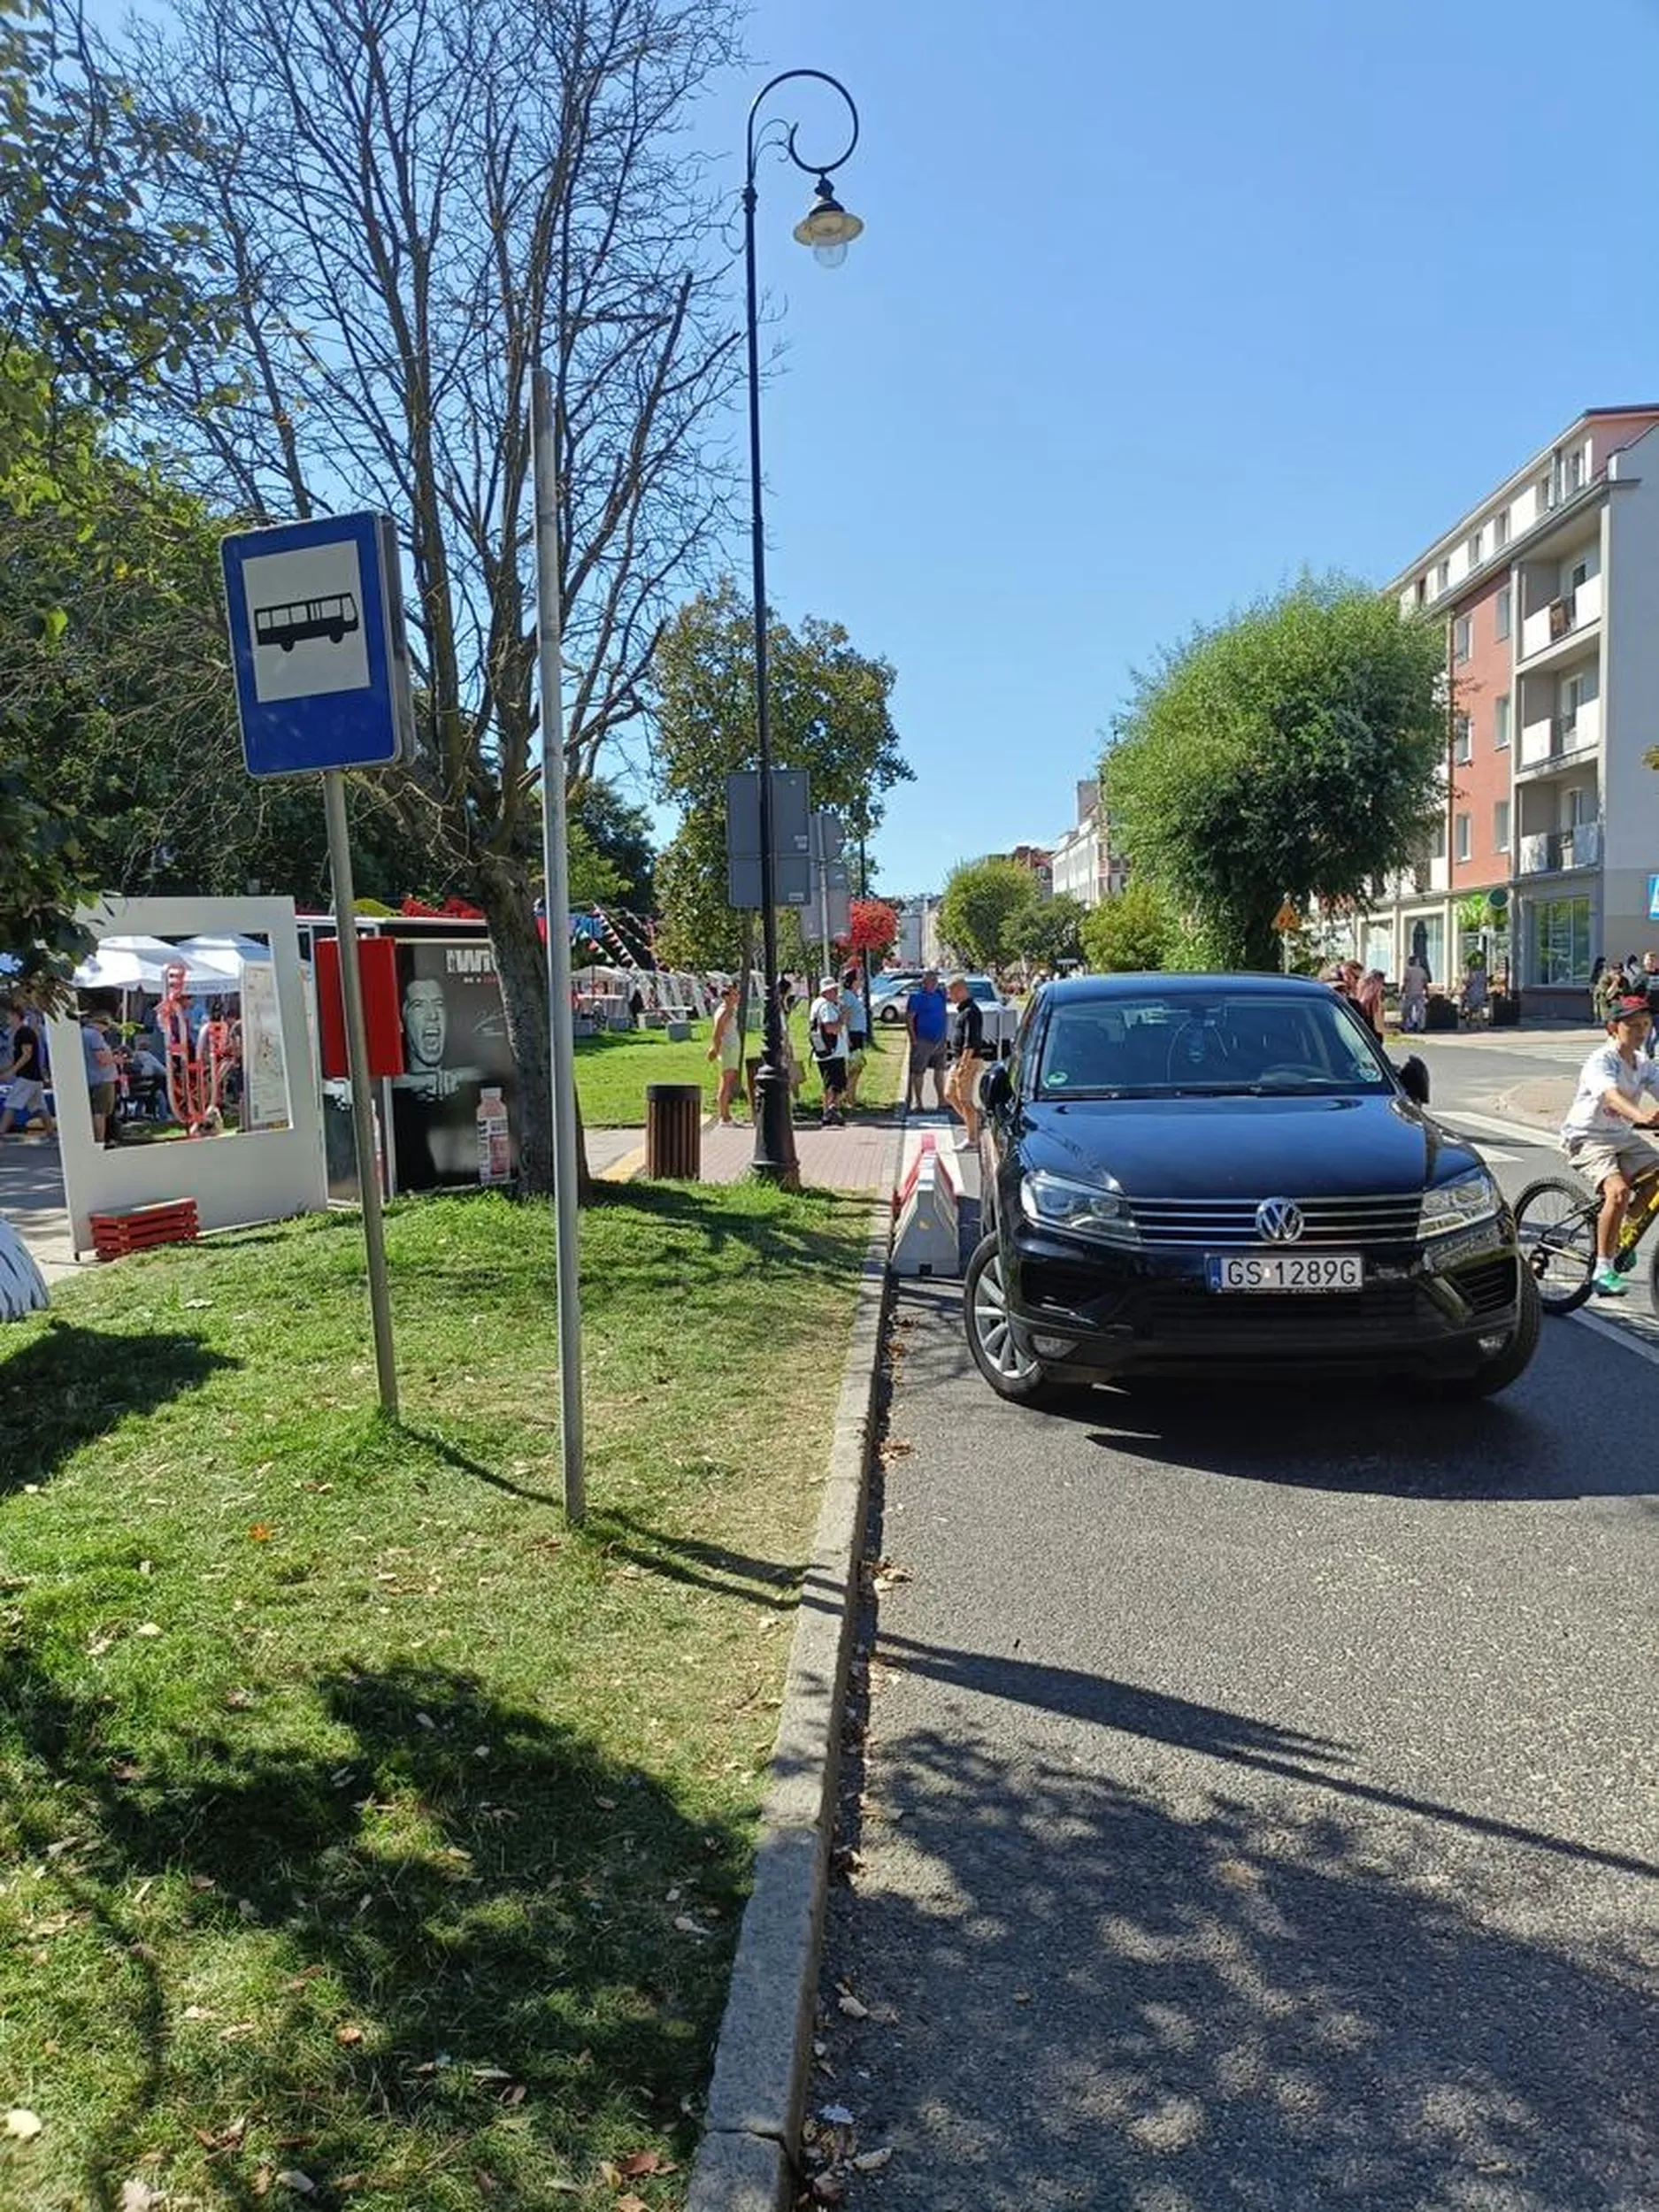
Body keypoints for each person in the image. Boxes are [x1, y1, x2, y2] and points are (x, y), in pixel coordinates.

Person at [1560, 991, 1659, 1297]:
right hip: (1587, 1137)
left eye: (1646, 1025)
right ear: (1613, 1028)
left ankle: (1623, 1233)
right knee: (1618, 1192)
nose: (1641, 1032)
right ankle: (1603, 1269)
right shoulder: (1602, 1060)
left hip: (1621, 1137)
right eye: (1633, 1025)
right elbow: (1611, 1096)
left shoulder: (1642, 1063)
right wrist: (1641, 1116)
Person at [944, 973, 991, 1151]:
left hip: (968, 1060)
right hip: (959, 1059)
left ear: (960, 990)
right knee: (949, 1094)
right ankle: (973, 1123)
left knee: (965, 1099)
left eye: (951, 992)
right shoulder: (963, 1010)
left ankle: (973, 1139)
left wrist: (963, 1065)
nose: (949, 996)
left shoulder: (971, 1011)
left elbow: (971, 1041)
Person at [0, 1012, 55, 1139]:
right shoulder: (20, 1033)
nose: (7, 1019)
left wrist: (11, 1072)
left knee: (11, 1103)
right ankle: (51, 1133)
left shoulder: (24, 1033)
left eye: (9, 1016)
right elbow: (18, 1058)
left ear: (16, 1016)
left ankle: (1, 1132)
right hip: (33, 1077)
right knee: (39, 1107)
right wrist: (6, 1070)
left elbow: (26, 1055)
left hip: (27, 1076)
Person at [906, 967, 949, 1113]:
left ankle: (941, 1100)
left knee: (940, 1070)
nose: (934, 983)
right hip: (922, 1039)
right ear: (924, 982)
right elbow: (909, 1018)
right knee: (919, 1071)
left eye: (935, 980)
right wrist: (913, 1039)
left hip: (940, 1039)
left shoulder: (940, 995)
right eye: (931, 980)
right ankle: (918, 1102)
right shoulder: (917, 997)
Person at [808, 974, 848, 1127]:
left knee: (828, 1084)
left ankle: (827, 1113)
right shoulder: (826, 1006)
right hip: (833, 1051)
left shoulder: (816, 1004)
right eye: (833, 990)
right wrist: (842, 1020)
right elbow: (830, 1027)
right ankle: (832, 1109)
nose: (836, 992)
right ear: (826, 991)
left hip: (822, 1049)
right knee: (837, 1084)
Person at [707, 982, 742, 1125]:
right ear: (726, 997)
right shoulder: (726, 1011)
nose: (737, 997)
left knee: (728, 1080)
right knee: (726, 1081)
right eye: (734, 994)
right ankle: (725, 1117)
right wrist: (715, 1048)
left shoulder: (729, 1009)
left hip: (731, 1047)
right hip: (729, 1048)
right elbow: (718, 1031)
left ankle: (725, 1114)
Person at [81, 1010, 118, 1146]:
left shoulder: (83, 1033)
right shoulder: (95, 1036)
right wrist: (116, 1059)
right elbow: (101, 1059)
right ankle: (100, 1141)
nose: (107, 1029)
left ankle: (95, 1141)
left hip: (90, 1078)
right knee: (101, 1113)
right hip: (102, 1078)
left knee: (94, 1112)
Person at [840, 964, 868, 1110]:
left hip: (858, 1034)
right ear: (853, 981)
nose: (861, 981)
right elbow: (846, 1018)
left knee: (857, 1066)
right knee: (854, 1067)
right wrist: (848, 1038)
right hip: (853, 1035)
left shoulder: (854, 995)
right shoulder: (848, 996)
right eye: (859, 979)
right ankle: (848, 1098)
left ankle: (852, 1096)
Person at [1399, 954, 1429, 1034]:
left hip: (1410, 993)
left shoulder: (1408, 970)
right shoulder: (1422, 970)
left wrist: (1402, 992)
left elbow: (1405, 982)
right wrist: (1427, 992)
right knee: (1421, 1011)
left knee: (1406, 1011)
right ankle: (1421, 1027)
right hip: (1419, 993)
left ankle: (1405, 1026)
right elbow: (1425, 983)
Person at [1356, 968, 1386, 1038]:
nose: (1382, 986)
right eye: (1382, 982)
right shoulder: (1372, 990)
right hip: (1368, 1022)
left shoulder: (1362, 987)